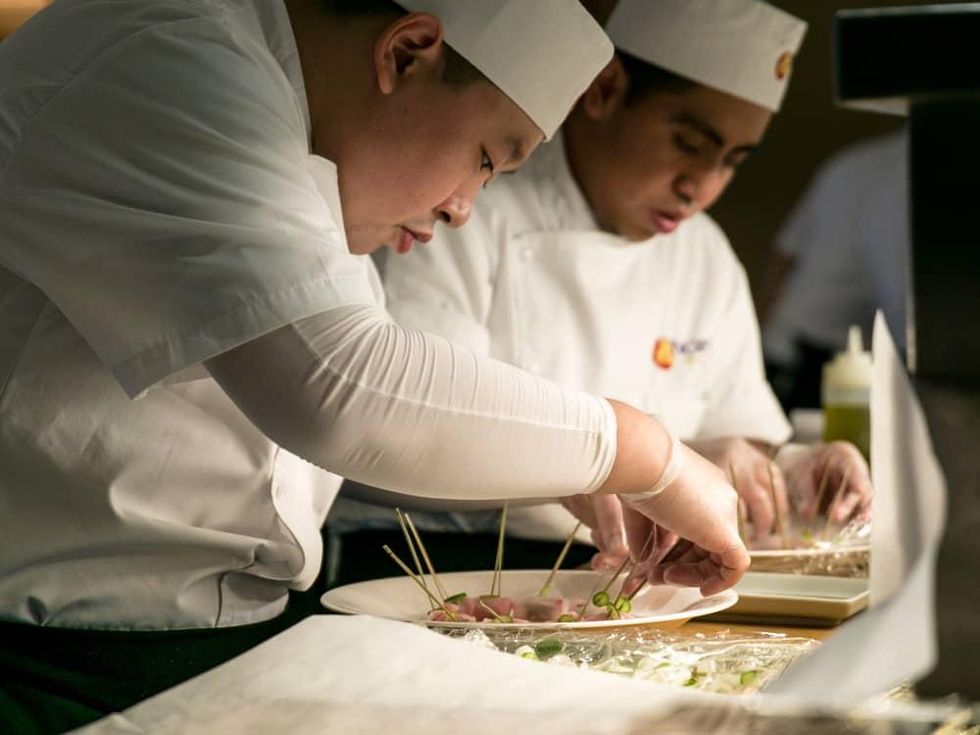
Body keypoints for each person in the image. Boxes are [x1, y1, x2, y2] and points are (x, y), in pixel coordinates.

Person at [0, 0, 747, 730]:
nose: (464, 209)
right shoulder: (167, 55)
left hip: (216, 642)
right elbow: (343, 392)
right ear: (403, 52)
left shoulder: (310, 141)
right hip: (48, 664)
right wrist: (650, 456)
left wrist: (573, 463)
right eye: (486, 158)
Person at [343, 0, 873, 573]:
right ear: (604, 89)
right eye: (689, 145)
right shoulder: (451, 209)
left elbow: (736, 433)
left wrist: (792, 472)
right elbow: (411, 426)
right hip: (438, 562)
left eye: (732, 162)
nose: (701, 187)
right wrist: (637, 463)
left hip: (637, 576)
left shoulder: (704, 253)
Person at [760, 128, 908, 411]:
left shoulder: (851, 161)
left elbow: (783, 257)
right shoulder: (911, 170)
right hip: (813, 361)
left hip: (790, 347)